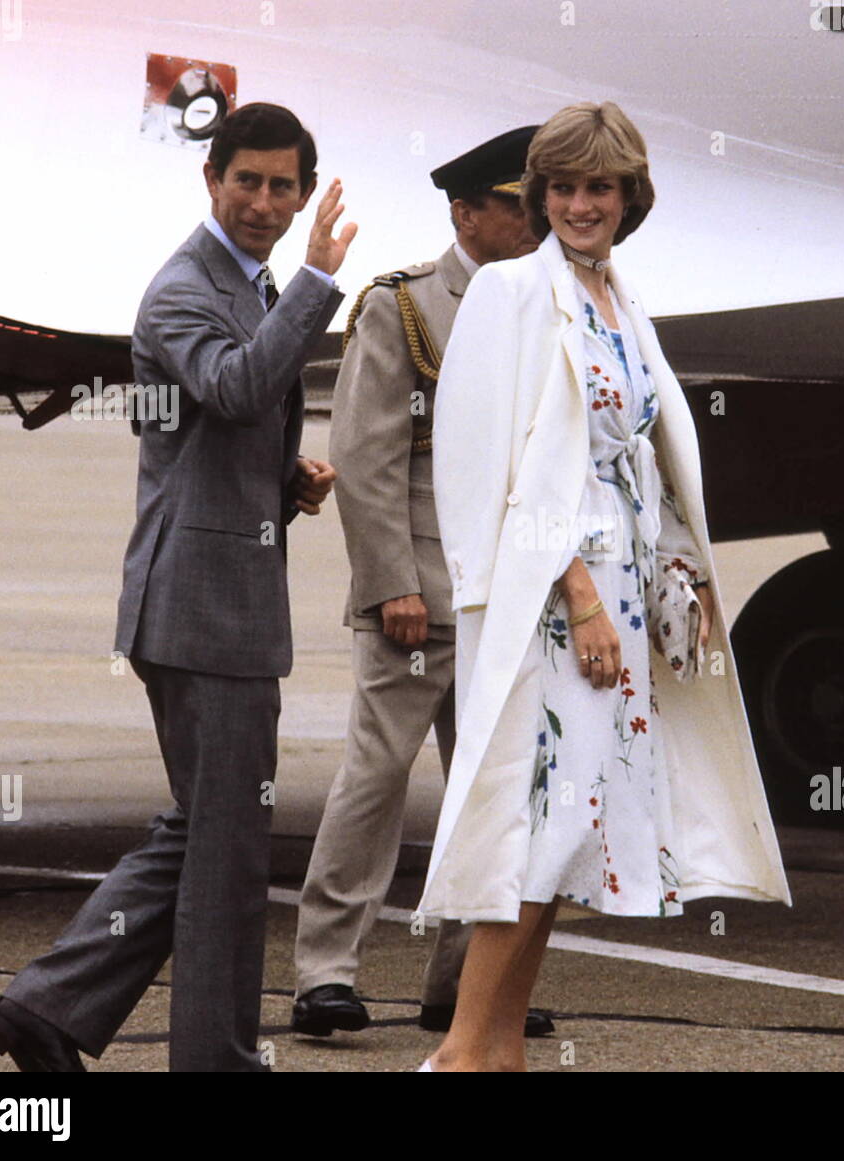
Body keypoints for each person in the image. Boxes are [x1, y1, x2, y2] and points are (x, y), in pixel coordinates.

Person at [417, 101, 792, 1072]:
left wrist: (682, 579)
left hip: (623, 610)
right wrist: (578, 593)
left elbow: (637, 464)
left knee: (576, 835)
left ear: (629, 197)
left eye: (600, 187)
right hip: (553, 608)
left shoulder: (620, 297)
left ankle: (497, 1051)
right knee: (536, 836)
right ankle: (464, 1053)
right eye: (564, 188)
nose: (581, 205)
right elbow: (492, 471)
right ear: (539, 196)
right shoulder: (511, 294)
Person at [0, 102, 353, 1072]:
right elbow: (232, 387)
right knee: (226, 860)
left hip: (217, 601)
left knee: (200, 835)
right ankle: (213, 1062)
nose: (264, 202)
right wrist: (318, 282)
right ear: (211, 180)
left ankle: (48, 1009)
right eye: (248, 181)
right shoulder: (183, 290)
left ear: (302, 191)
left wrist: (286, 478)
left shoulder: (252, 287)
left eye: (283, 186)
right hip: (201, 613)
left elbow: (217, 429)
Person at [291, 126, 553, 1039]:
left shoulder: (548, 301)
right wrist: (391, 581)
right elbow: (366, 460)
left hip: (512, 597)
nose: (533, 220)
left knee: (497, 793)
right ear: (465, 210)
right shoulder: (402, 307)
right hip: (424, 594)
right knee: (377, 779)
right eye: (515, 204)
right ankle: (325, 970)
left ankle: (464, 985)